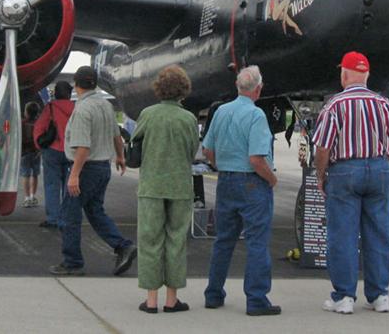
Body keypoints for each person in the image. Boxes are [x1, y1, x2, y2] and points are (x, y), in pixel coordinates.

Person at [312, 52, 389, 315]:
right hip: (379, 169)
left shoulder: (334, 106)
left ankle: (344, 296)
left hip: (344, 171)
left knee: (342, 235)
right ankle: (379, 295)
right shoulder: (385, 105)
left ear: (344, 74)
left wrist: (321, 176)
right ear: (367, 75)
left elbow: (323, 147)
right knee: (377, 234)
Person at [202, 65, 280, 317]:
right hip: (252, 182)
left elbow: (208, 150)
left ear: (237, 86)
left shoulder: (221, 111)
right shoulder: (256, 116)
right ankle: (256, 298)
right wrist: (272, 179)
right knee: (257, 241)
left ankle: (213, 293)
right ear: (258, 89)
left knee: (223, 240)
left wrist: (220, 165)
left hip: (226, 179)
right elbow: (257, 158)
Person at [49, 66, 137, 276]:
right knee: (95, 211)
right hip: (103, 166)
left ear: (76, 85)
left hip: (86, 167)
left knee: (68, 216)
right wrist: (120, 156)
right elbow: (117, 134)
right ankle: (122, 246)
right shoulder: (105, 105)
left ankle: (72, 261)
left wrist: (74, 175)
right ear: (95, 83)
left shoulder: (82, 109)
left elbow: (83, 147)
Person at [133, 65, 200, 314]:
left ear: (159, 89)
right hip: (180, 185)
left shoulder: (148, 114)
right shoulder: (188, 118)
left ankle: (151, 300)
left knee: (150, 240)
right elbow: (193, 150)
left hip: (151, 185)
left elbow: (135, 141)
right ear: (183, 90)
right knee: (176, 240)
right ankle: (172, 299)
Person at [34, 81, 74, 228]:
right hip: (72, 152)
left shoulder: (50, 108)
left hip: (52, 150)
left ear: (55, 93)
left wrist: (40, 146)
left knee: (52, 185)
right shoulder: (77, 109)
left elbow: (39, 129)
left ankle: (53, 218)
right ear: (69, 94)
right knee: (69, 186)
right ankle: (67, 217)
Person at [20, 101, 41, 208]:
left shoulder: (22, 123)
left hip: (24, 152)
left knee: (25, 174)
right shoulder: (39, 122)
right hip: (36, 151)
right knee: (35, 174)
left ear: (26, 112)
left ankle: (27, 197)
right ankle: (33, 196)